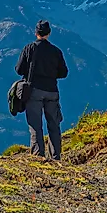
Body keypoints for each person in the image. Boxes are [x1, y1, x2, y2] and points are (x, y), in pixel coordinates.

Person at [15, 20, 68, 160]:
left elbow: (19, 69)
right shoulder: (56, 51)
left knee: (35, 125)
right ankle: (56, 157)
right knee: (54, 125)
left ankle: (38, 157)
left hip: (34, 91)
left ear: (36, 33)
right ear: (49, 33)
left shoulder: (29, 48)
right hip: (52, 91)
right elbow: (64, 73)